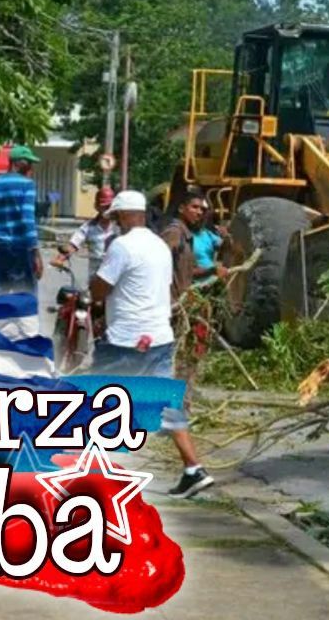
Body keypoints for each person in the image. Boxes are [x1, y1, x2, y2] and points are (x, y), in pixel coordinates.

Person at [89, 190, 213, 499]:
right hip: (159, 336)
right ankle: (193, 470)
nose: (115, 223)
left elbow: (99, 291)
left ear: (127, 215)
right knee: (166, 406)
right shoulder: (159, 244)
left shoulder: (122, 246)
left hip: (128, 339)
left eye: (117, 217)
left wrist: (95, 284)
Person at [0, 146, 43, 297]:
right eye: (29, 164)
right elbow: (27, 220)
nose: (31, 169)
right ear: (16, 164)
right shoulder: (27, 185)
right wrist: (35, 253)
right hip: (19, 249)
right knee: (25, 300)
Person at [160, 191, 211, 300]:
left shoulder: (186, 234)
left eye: (202, 209)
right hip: (170, 303)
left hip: (181, 302)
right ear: (181, 208)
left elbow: (191, 271)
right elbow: (156, 266)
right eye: (195, 207)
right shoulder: (174, 233)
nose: (199, 212)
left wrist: (213, 270)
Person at [54, 186, 118, 272]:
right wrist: (60, 258)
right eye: (104, 207)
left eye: (109, 206)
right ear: (97, 206)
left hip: (116, 276)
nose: (107, 210)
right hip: (96, 276)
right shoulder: (88, 227)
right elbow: (73, 244)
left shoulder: (120, 226)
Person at [191, 201, 229, 285]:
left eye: (204, 212)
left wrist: (226, 237)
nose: (201, 215)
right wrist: (212, 271)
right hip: (194, 285)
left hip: (211, 282)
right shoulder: (184, 235)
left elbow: (224, 251)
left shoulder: (208, 234)